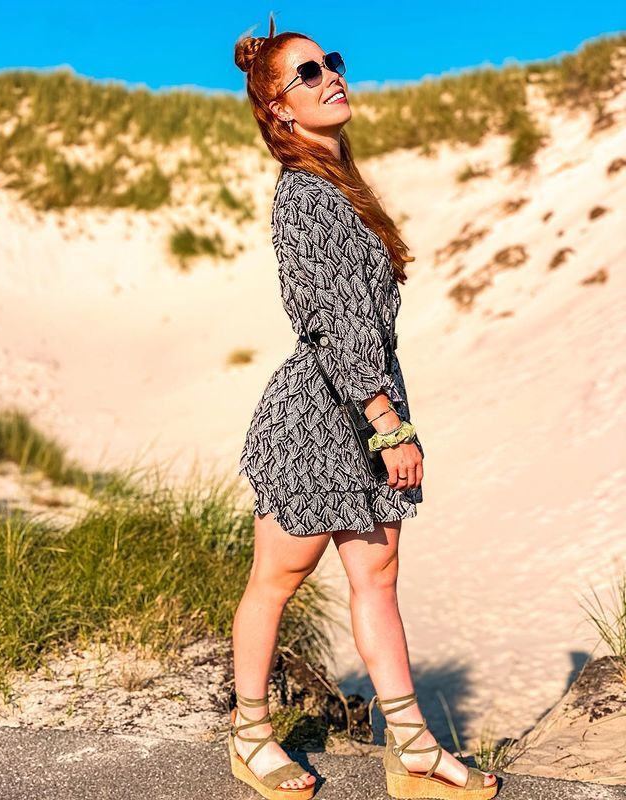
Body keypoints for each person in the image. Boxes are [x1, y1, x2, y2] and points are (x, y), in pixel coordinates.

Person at [229, 13, 499, 800]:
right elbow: (333, 322)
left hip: (368, 402)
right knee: (278, 578)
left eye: (332, 62)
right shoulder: (305, 197)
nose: (332, 77)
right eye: (308, 74)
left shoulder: (339, 187)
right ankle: (249, 735)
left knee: (377, 574)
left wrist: (385, 416)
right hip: (321, 418)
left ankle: (412, 749)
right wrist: (389, 424)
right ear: (278, 108)